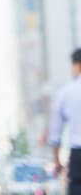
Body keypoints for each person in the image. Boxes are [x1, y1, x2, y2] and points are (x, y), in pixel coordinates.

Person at [49, 48, 81, 192]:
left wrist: (57, 160)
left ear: (77, 65)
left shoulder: (66, 92)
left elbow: (55, 133)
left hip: (78, 156)